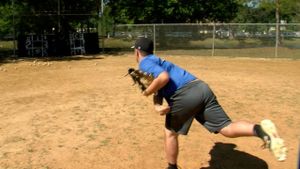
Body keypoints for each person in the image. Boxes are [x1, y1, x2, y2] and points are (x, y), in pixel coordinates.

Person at [131, 37, 287, 169]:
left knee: (170, 133)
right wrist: (157, 105)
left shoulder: (144, 63)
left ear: (137, 52)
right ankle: (261, 131)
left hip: (184, 94)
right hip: (201, 88)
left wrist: (146, 92)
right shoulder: (157, 61)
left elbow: (163, 78)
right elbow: (160, 87)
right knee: (226, 127)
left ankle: (172, 168)